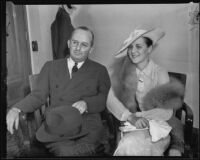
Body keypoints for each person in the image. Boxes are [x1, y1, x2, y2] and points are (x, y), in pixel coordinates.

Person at [6, 26, 111, 156]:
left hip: (87, 122)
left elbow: (103, 98)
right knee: (66, 152)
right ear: (68, 43)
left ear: (91, 49)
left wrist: (87, 104)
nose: (78, 48)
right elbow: (38, 96)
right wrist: (16, 108)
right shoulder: (50, 66)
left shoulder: (100, 70)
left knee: (81, 149)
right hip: (57, 123)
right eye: (75, 42)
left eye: (84, 45)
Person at [106, 25, 184, 156]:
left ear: (149, 48)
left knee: (137, 146)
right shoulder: (122, 72)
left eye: (138, 46)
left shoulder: (160, 73)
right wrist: (129, 116)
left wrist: (139, 116)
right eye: (130, 47)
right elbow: (109, 98)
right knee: (128, 145)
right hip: (130, 123)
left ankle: (176, 147)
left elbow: (166, 111)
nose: (133, 51)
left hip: (158, 126)